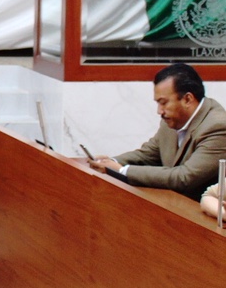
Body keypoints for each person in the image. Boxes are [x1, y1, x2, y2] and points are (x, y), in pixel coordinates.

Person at [86, 62, 226, 199]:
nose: (159, 111)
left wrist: (122, 170)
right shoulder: (172, 120)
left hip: (203, 216)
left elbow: (185, 178)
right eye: (157, 103)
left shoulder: (218, 127)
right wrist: (109, 162)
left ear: (187, 99)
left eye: (163, 102)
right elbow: (148, 155)